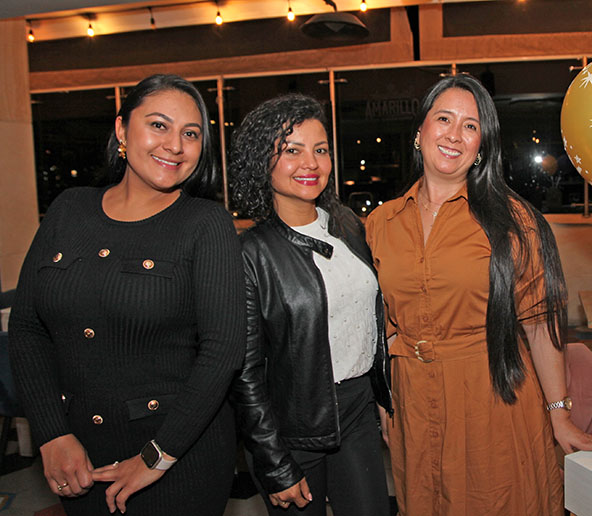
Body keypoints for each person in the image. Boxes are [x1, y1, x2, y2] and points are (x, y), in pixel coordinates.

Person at [8, 74, 246, 515]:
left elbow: (224, 351)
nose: (174, 145)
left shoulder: (205, 223)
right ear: (121, 129)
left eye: (191, 134)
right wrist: (51, 433)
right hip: (79, 458)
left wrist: (158, 456)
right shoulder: (68, 209)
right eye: (158, 125)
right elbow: (26, 328)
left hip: (180, 459)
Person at [365, 74, 592, 516]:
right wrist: (386, 395)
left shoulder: (514, 222)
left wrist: (560, 414)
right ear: (420, 131)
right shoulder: (381, 223)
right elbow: (383, 321)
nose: (454, 135)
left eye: (470, 126)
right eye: (444, 119)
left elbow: (539, 324)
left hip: (493, 398)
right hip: (414, 403)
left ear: (481, 147)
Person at [228, 94, 392, 516]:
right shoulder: (250, 253)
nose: (311, 163)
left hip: (357, 411)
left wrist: (382, 397)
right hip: (291, 427)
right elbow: (245, 373)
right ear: (262, 161)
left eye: (320, 150)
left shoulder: (348, 226)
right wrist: (272, 460)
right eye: (292, 151)